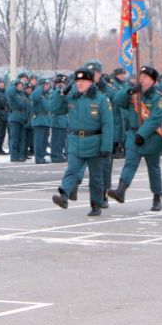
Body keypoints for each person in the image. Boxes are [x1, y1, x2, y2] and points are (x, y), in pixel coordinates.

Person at [50, 68, 113, 217]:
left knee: (96, 177)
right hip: (75, 140)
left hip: (95, 142)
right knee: (72, 170)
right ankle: (64, 196)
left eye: (83, 81)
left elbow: (108, 124)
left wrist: (106, 147)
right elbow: (54, 109)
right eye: (77, 81)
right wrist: (61, 94)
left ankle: (96, 204)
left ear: (91, 82)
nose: (79, 84)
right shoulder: (72, 98)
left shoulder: (101, 99)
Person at [107, 65, 162, 211]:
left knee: (153, 168)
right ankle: (121, 191)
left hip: (152, 137)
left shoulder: (157, 97)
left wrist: (143, 133)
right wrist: (129, 91)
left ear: (153, 81)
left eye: (145, 77)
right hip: (133, 134)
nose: (141, 78)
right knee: (130, 163)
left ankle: (156, 198)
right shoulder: (134, 94)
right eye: (141, 76)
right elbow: (117, 100)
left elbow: (156, 117)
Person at [30, 78, 53, 164]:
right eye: (46, 85)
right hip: (39, 120)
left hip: (46, 120)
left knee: (44, 141)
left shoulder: (45, 95)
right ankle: (38, 158)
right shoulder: (37, 94)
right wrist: (40, 87)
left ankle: (42, 156)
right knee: (39, 141)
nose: (48, 86)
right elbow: (34, 97)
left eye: (48, 85)